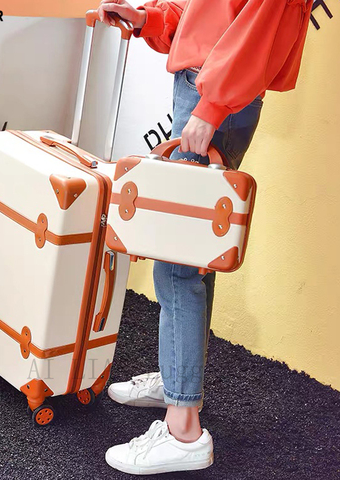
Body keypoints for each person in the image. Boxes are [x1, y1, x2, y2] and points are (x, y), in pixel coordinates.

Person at [96, 0, 313, 475]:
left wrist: (211, 105)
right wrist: (150, 20)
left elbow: (261, 23)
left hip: (214, 95)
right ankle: (179, 385)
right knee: (191, 256)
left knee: (177, 261)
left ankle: (183, 431)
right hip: (203, 86)